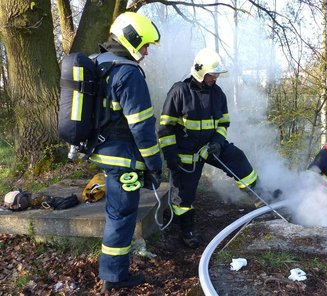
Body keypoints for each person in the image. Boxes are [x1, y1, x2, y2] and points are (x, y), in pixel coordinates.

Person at [158, 48, 272, 249]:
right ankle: (186, 228)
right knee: (184, 193)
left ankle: (262, 200)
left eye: (217, 74)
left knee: (237, 159)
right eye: (213, 74)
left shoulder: (218, 93)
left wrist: (218, 143)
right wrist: (170, 155)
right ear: (200, 72)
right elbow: (165, 125)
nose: (216, 78)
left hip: (211, 146)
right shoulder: (179, 91)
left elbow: (223, 123)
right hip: (186, 153)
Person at [87, 12, 162, 292]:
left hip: (101, 150)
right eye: (144, 46)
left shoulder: (99, 63)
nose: (145, 52)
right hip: (121, 159)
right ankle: (114, 278)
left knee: (116, 213)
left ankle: (112, 273)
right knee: (121, 216)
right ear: (131, 39)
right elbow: (142, 127)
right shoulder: (128, 73)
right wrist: (154, 165)